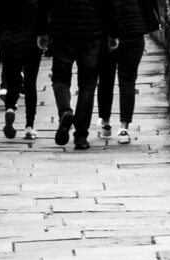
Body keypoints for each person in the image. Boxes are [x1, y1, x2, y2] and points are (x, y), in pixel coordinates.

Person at [36, 0, 118, 150]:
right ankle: (80, 136)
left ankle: (65, 111)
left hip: (63, 31)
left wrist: (42, 31)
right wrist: (113, 33)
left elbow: (42, 4)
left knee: (60, 78)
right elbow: (108, 4)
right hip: (92, 32)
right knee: (88, 85)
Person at [97, 0, 159, 144]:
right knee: (128, 81)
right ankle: (124, 129)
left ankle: (106, 124)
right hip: (134, 29)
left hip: (106, 32)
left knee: (105, 79)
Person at [0, 0, 42, 140]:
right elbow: (42, 14)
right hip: (31, 41)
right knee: (31, 84)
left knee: (13, 81)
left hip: (9, 41)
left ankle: (10, 109)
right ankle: (29, 127)